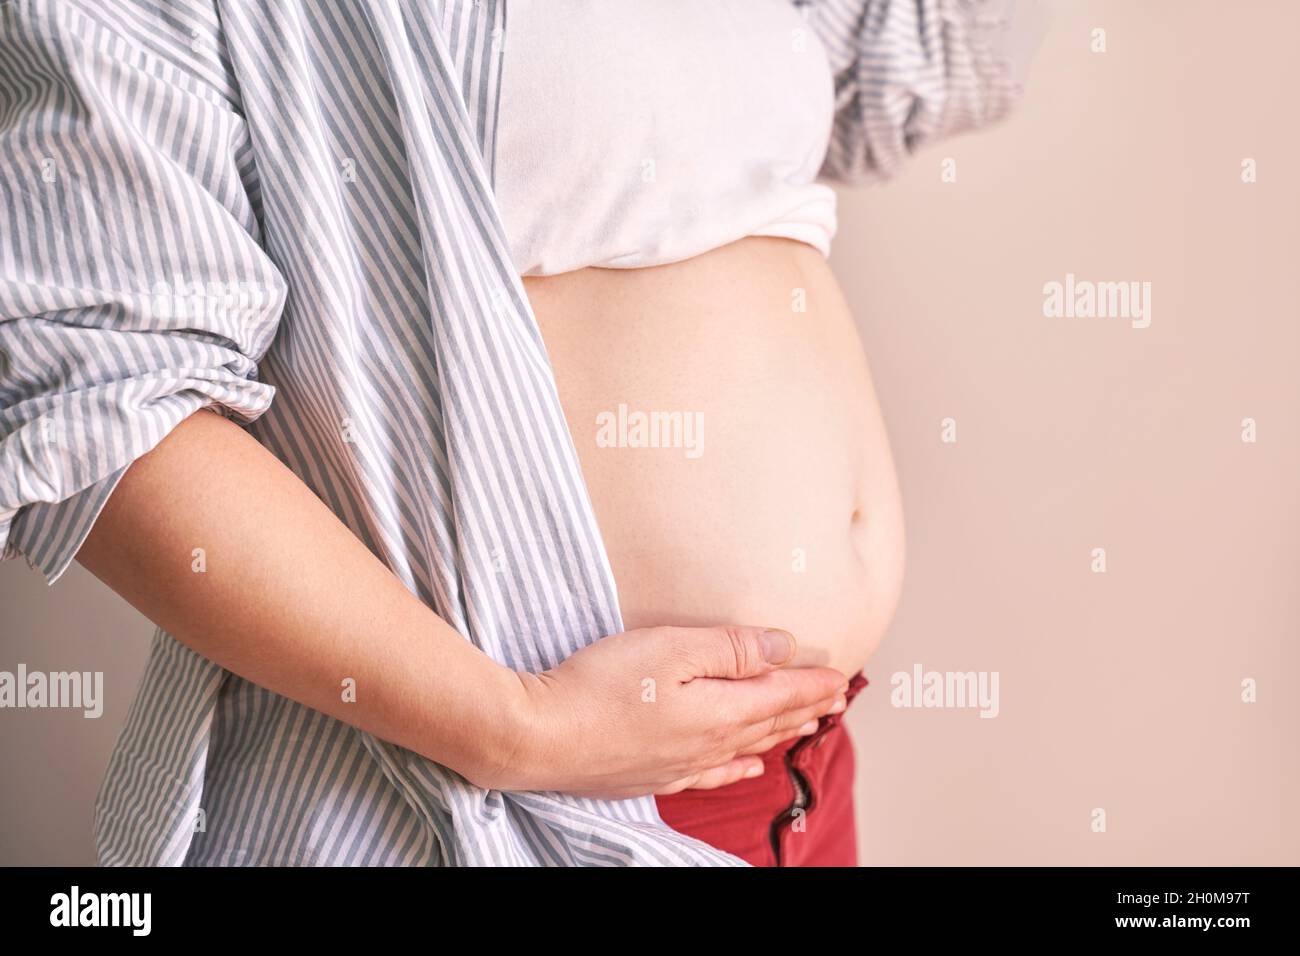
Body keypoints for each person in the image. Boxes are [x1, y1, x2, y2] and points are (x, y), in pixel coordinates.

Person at [0, 0, 1046, 866]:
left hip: (783, 780)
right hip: (484, 801)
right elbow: (107, 409)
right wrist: (516, 726)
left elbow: (920, 66)